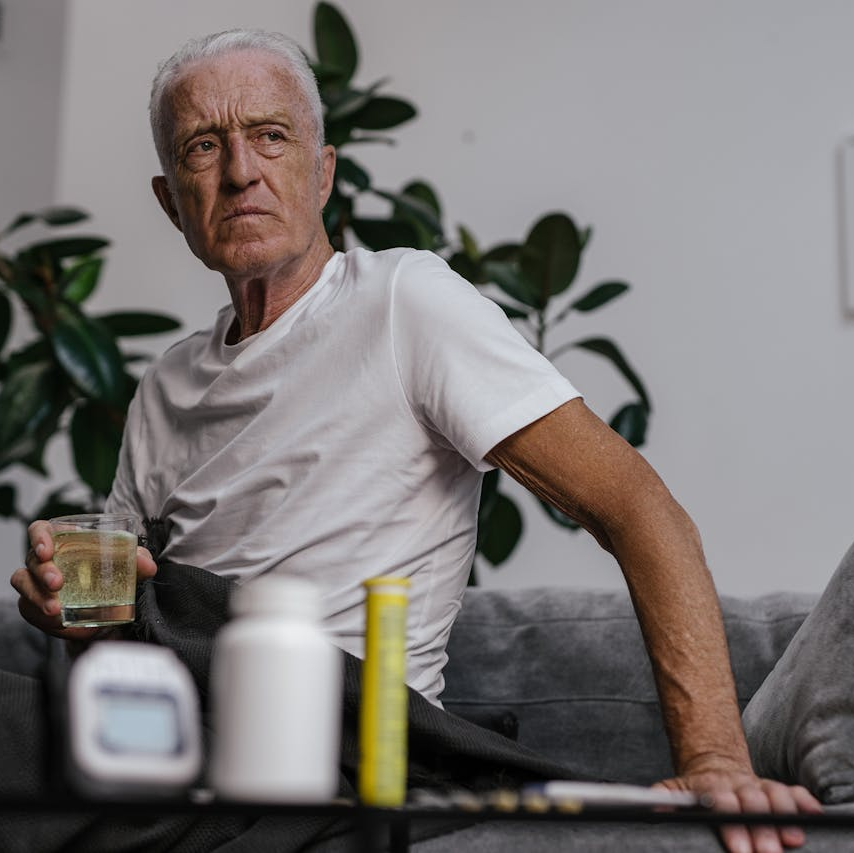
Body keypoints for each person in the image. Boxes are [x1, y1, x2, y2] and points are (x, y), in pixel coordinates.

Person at [12, 28, 821, 853]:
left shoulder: (405, 304)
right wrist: (63, 598)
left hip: (339, 752)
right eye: (203, 146)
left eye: (270, 135)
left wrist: (716, 761)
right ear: (170, 200)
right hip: (176, 743)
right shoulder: (164, 385)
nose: (241, 170)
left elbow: (638, 508)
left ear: (322, 172)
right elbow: (132, 611)